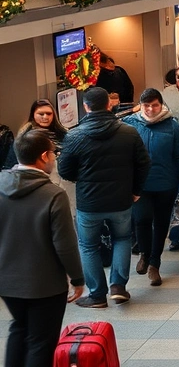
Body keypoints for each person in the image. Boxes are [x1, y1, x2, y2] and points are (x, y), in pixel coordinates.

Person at [58, 86, 150, 308]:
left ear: (86, 106)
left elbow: (65, 171)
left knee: (88, 246)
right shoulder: (128, 132)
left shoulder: (75, 135)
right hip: (121, 200)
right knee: (122, 239)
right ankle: (118, 286)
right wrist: (136, 190)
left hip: (89, 203)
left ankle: (97, 295)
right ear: (109, 104)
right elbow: (144, 163)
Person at [0, 129, 84, 367]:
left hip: (6, 279)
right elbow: (64, 244)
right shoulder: (52, 194)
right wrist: (77, 278)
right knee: (40, 341)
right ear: (44, 156)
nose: (55, 158)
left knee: (19, 327)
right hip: (44, 284)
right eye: (54, 153)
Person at [121, 89, 179, 287]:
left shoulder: (172, 126)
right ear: (140, 106)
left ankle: (155, 263)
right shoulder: (130, 125)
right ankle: (144, 253)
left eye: (155, 105)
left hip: (165, 183)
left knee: (161, 224)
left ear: (161, 105)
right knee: (142, 219)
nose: (151, 109)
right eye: (146, 106)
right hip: (140, 184)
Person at [2, 99, 68, 174]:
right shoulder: (25, 137)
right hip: (31, 175)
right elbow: (12, 163)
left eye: (49, 114)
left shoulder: (62, 133)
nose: (45, 117)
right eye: (41, 114)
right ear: (33, 114)